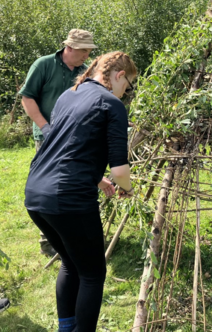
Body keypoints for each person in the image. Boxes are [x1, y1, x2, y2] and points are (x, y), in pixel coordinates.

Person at [24, 51, 137, 332]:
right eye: (128, 85)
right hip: (69, 199)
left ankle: (67, 328)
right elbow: (120, 170)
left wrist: (97, 179)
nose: (126, 92)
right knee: (93, 274)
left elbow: (68, 146)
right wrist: (129, 190)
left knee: (71, 264)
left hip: (36, 193)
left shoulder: (69, 94)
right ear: (118, 75)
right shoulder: (112, 105)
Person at [19, 29, 98, 257]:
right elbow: (28, 97)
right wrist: (45, 127)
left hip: (75, 139)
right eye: (83, 50)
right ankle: (49, 242)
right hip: (47, 138)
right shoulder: (43, 65)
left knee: (70, 186)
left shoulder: (85, 72)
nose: (86, 55)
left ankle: (71, 237)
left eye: (89, 51)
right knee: (48, 186)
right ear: (69, 47)